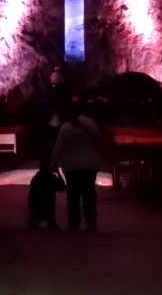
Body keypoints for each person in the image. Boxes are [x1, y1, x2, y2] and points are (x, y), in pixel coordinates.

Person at [50, 99, 106, 231]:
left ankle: (74, 222)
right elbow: (99, 141)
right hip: (90, 164)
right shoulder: (90, 123)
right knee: (89, 194)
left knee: (73, 195)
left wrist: (54, 162)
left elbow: (58, 147)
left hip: (72, 165)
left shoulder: (66, 127)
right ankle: (91, 221)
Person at [27, 158, 66, 229]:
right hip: (47, 205)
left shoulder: (36, 178)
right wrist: (58, 174)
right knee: (51, 220)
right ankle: (39, 218)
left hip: (36, 205)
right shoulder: (50, 177)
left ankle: (36, 218)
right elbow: (62, 188)